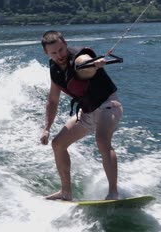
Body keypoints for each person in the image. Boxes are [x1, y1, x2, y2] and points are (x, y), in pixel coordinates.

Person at [40, 30, 123, 201]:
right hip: (86, 110)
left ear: (66, 44)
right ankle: (65, 192)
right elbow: (52, 101)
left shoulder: (79, 57)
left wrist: (95, 64)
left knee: (102, 140)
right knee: (58, 144)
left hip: (108, 105)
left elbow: (84, 66)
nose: (59, 55)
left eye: (61, 49)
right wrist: (46, 128)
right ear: (46, 53)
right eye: (53, 53)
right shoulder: (54, 70)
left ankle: (113, 193)